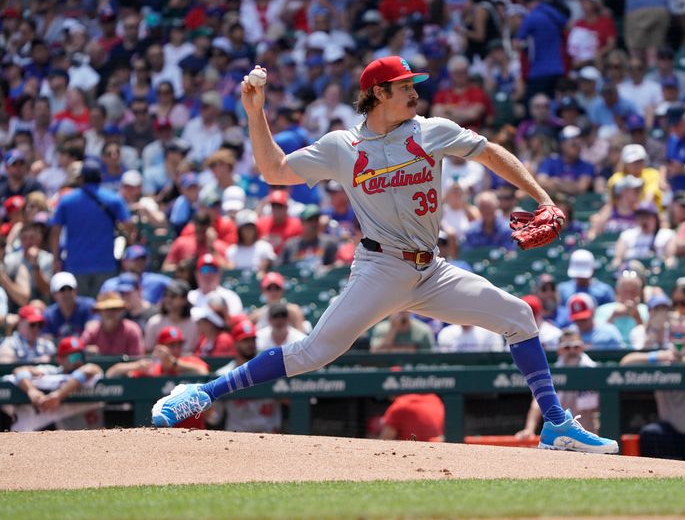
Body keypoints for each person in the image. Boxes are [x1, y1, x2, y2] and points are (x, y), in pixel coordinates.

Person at [152, 56, 618, 453]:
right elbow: (274, 170)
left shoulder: (431, 130)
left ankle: (554, 424)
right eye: (404, 87)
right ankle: (201, 391)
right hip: (381, 266)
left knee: (518, 315)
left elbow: (491, 153)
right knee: (314, 352)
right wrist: (256, 113)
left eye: (414, 85)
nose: (415, 92)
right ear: (377, 93)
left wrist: (543, 198)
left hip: (430, 269)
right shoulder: (343, 146)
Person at [621, 313, 685, 462]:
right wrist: (656, 357)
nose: (681, 339)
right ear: (670, 337)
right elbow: (626, 363)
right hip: (671, 435)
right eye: (676, 335)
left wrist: (681, 360)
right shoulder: (663, 358)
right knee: (650, 433)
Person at [50, 161, 133, 297]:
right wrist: (128, 246)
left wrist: (55, 259)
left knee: (80, 309)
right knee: (104, 308)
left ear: (81, 179)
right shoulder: (113, 199)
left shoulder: (66, 201)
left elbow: (55, 232)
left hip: (76, 265)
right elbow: (129, 226)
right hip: (105, 264)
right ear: (101, 177)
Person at [4, 336, 104, 432]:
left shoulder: (88, 371)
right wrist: (31, 390)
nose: (78, 360)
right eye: (73, 357)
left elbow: (90, 369)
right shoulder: (51, 371)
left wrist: (58, 396)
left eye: (80, 356)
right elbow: (19, 370)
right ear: (59, 359)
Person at [516, 327, 600, 439]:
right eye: (567, 347)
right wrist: (529, 429)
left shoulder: (593, 370)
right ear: (559, 350)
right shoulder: (551, 374)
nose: (572, 351)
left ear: (582, 347)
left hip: (589, 435)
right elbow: (537, 403)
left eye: (576, 346)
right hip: (561, 436)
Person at [207, 319, 284, 433]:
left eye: (253, 339)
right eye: (245, 340)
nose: (250, 344)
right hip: (238, 436)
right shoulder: (224, 374)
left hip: (269, 433)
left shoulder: (270, 367)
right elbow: (214, 418)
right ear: (235, 343)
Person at [106, 326, 209, 379]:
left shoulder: (189, 360)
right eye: (172, 345)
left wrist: (174, 364)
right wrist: (136, 365)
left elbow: (203, 372)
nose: (176, 349)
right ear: (160, 347)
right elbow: (111, 373)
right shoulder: (152, 367)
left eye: (179, 345)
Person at [143, 279, 199, 354]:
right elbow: (148, 352)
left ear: (184, 300)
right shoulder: (154, 323)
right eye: (166, 295)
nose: (168, 299)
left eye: (173, 296)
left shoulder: (195, 324)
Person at [81, 292, 144, 357]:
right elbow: (78, 351)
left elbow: (137, 360)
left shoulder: (132, 330)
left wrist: (116, 367)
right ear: (99, 311)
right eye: (106, 309)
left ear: (121, 310)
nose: (110, 313)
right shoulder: (92, 330)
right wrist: (86, 351)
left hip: (125, 367)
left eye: (114, 309)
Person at [43, 272, 96, 339]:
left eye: (70, 289)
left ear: (76, 290)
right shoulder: (48, 315)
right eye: (62, 290)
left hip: (84, 348)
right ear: (53, 294)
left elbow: (93, 331)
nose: (67, 293)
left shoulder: (88, 306)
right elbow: (47, 340)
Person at [379, 393, 444, 442]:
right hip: (437, 451)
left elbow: (385, 442)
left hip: (413, 454)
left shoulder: (400, 405)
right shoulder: (435, 399)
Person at [370, 311, 436, 353]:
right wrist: (393, 329)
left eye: (405, 309)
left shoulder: (423, 330)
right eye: (397, 309)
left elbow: (429, 358)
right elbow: (375, 354)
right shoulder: (381, 328)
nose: (401, 313)